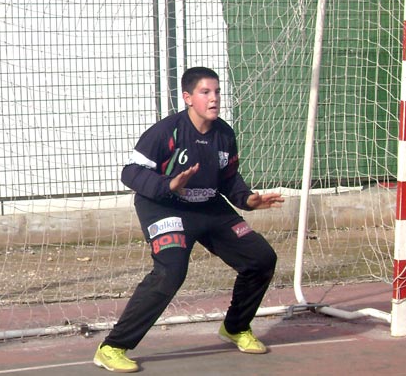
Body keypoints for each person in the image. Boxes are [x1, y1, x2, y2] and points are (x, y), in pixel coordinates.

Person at [93, 66, 284, 373]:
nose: (214, 99)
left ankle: (236, 327)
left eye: (217, 92)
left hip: (209, 206)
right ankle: (112, 347)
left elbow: (230, 179)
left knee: (261, 258)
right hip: (164, 207)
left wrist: (249, 200)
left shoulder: (224, 134)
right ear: (187, 98)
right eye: (205, 92)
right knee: (171, 271)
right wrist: (167, 185)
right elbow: (130, 172)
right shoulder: (166, 132)